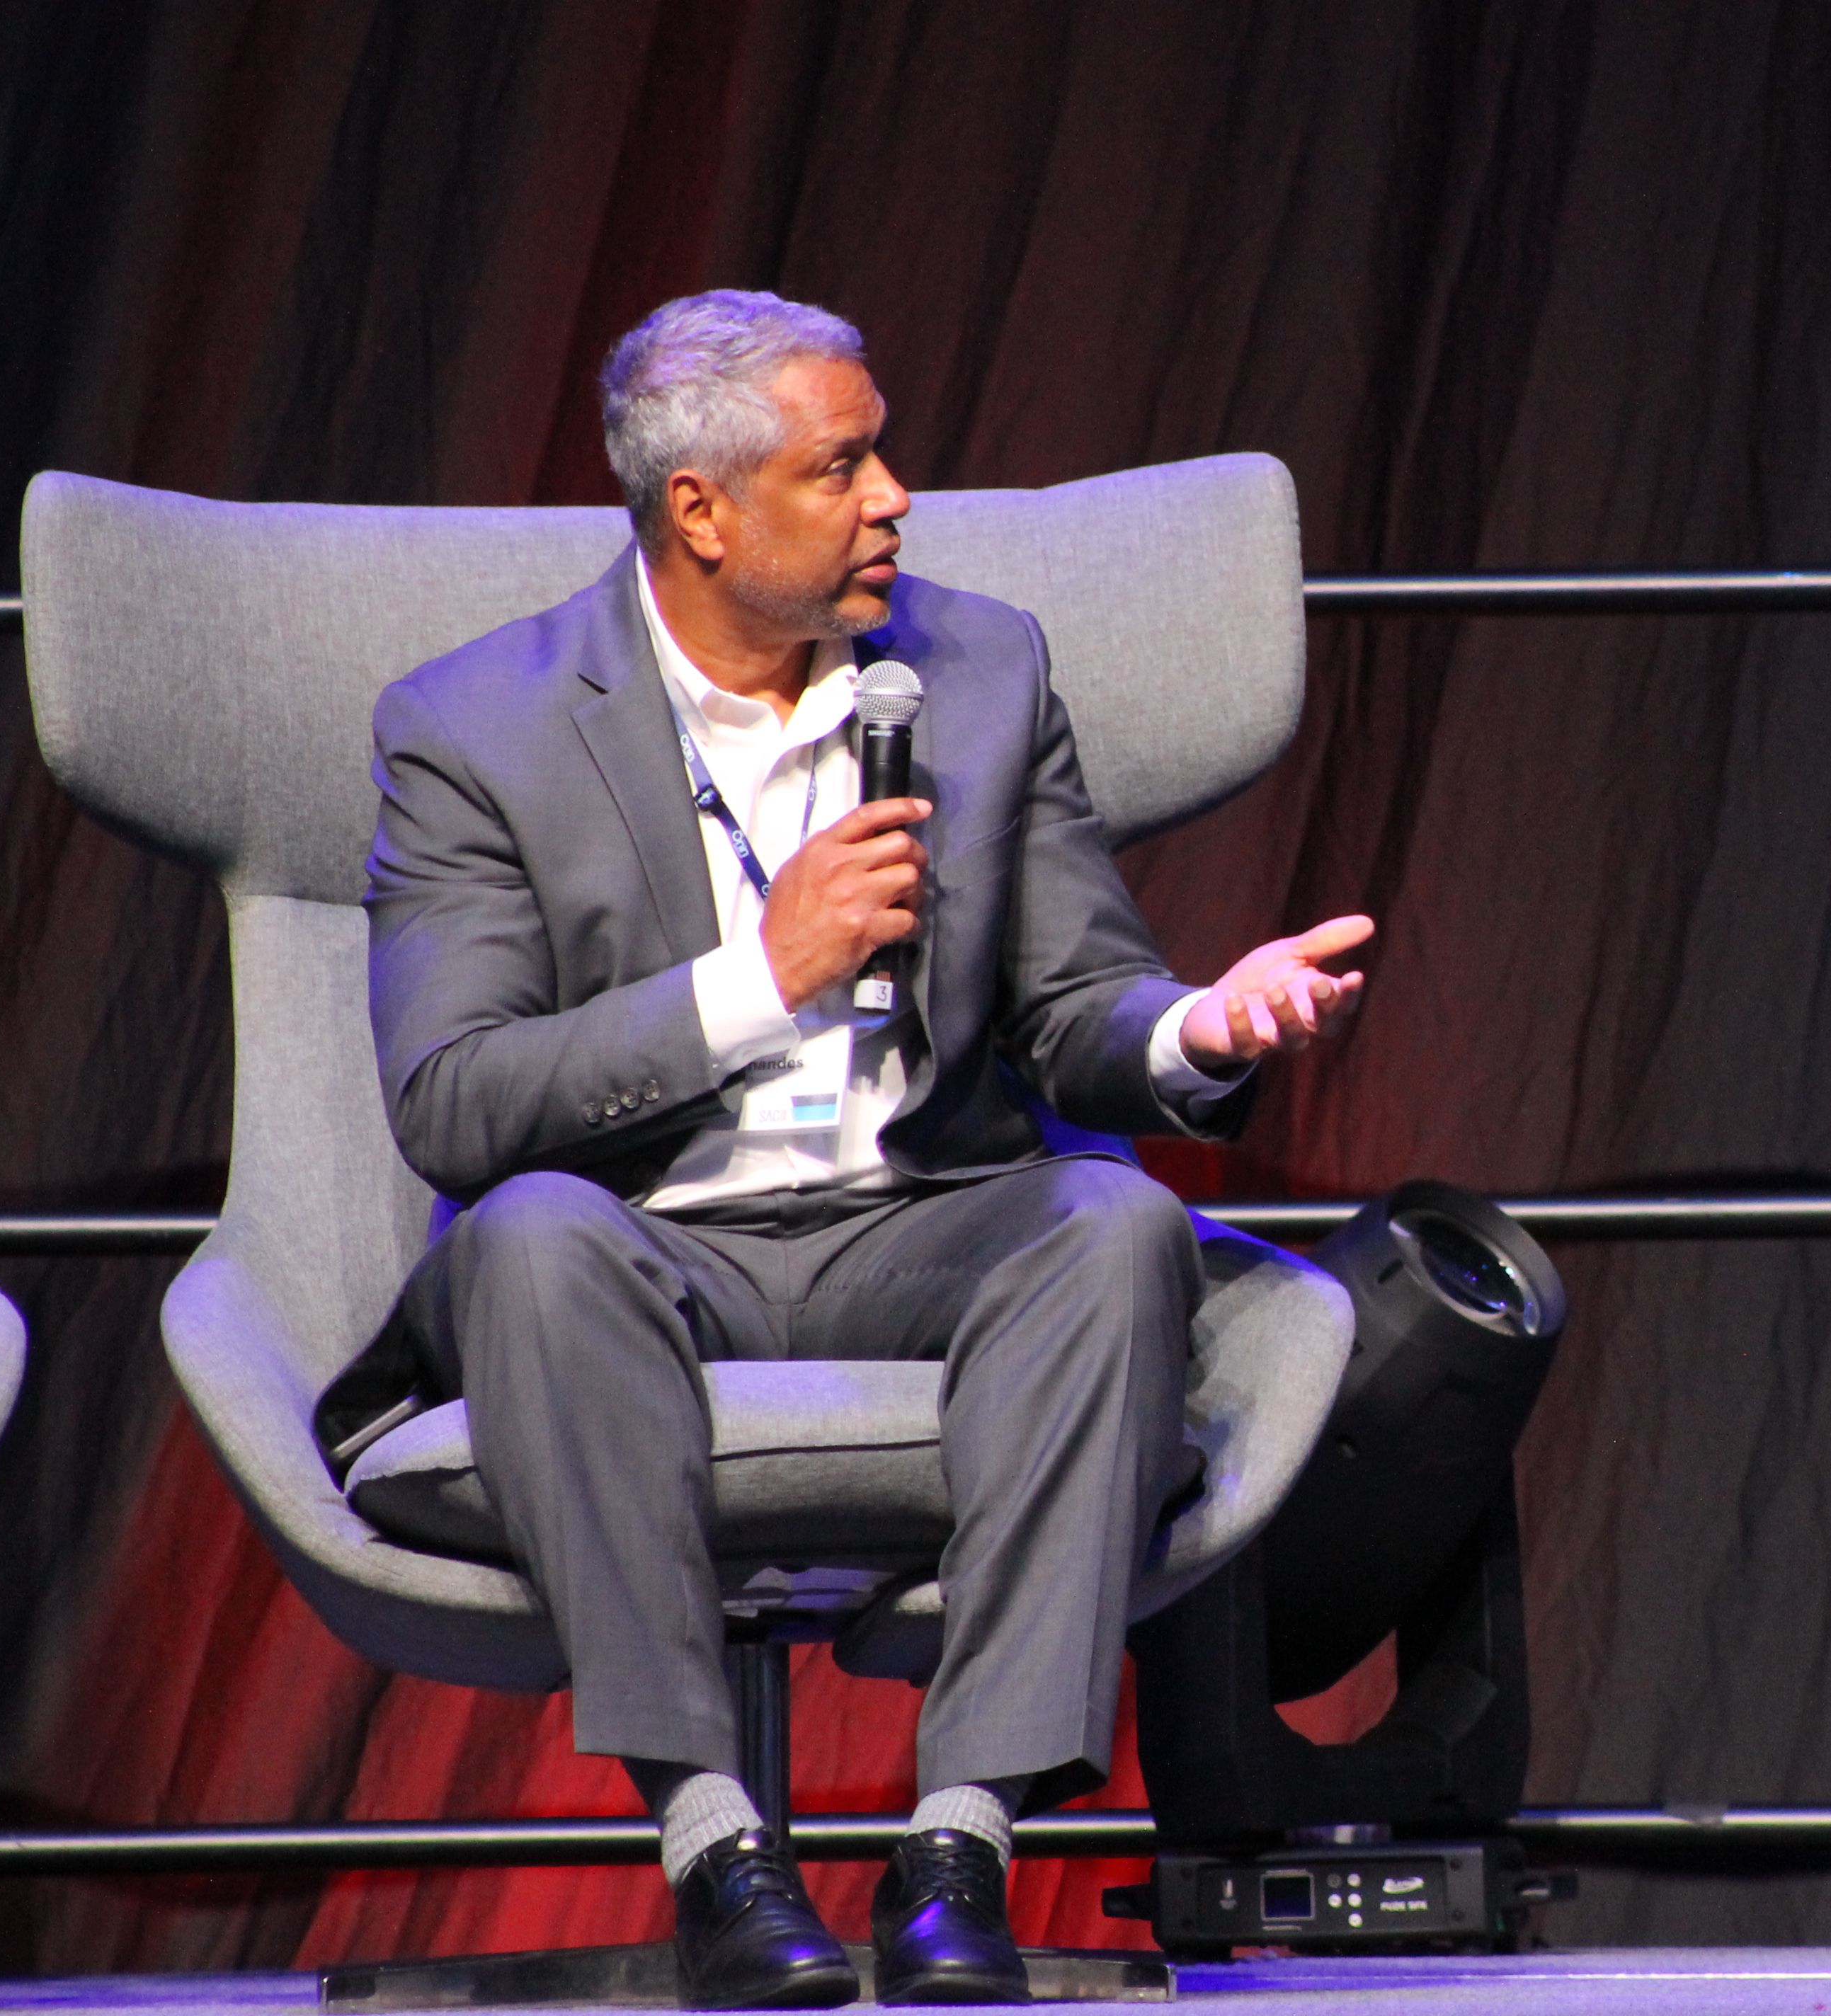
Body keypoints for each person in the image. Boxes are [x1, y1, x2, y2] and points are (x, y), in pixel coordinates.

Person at [357, 289, 1367, 2008]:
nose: (898, 492)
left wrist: (1197, 1027)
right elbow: (453, 1097)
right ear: (703, 511)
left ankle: (958, 1843)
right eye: (845, 463)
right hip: (647, 1247)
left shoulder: (977, 671)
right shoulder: (476, 726)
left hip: (918, 1227)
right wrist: (766, 974)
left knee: (1114, 1222)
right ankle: (716, 1851)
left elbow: (1081, 1003)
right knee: (523, 1229)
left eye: (884, 448)